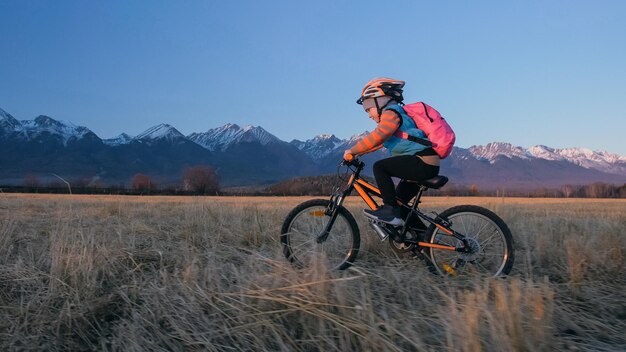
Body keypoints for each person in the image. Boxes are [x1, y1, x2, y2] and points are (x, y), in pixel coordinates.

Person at [344, 77, 440, 227]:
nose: (369, 114)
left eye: (368, 108)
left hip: (422, 161)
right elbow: (380, 141)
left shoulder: (391, 112)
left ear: (379, 100)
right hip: (424, 161)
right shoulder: (398, 114)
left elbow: (378, 135)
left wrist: (353, 150)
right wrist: (357, 154)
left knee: (380, 167)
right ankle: (422, 241)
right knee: (401, 206)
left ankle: (389, 212)